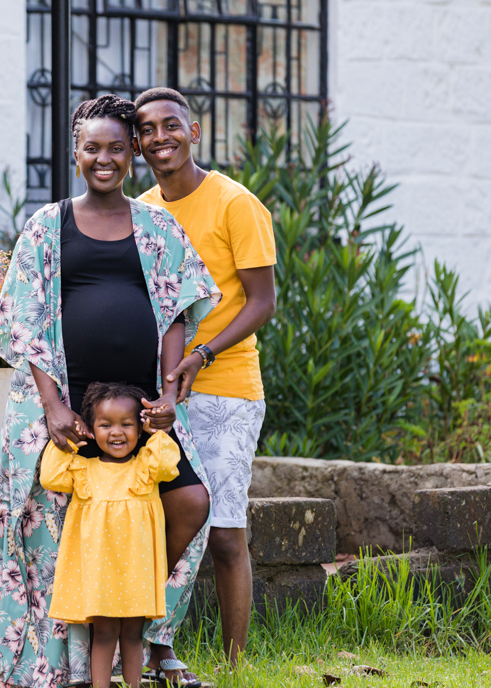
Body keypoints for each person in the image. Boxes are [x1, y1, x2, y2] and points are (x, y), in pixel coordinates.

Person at [0, 94, 221, 688]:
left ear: (134, 152)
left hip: (136, 412)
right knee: (56, 524)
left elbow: (175, 313)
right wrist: (54, 406)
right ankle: (62, 659)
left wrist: (169, 395)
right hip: (71, 411)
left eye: (118, 146)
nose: (105, 158)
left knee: (190, 501)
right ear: (76, 152)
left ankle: (136, 610)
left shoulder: (157, 225)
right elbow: (27, 318)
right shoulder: (48, 224)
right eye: (93, 147)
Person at [136, 87, 277, 675]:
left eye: (172, 125)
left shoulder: (235, 204)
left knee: (222, 532)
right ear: (138, 143)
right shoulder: (141, 209)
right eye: (147, 129)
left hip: (226, 387)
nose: (160, 137)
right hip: (160, 390)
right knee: (161, 519)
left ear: (194, 132)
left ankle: (235, 664)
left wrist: (204, 353)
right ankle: (155, 647)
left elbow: (263, 301)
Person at [41, 383, 180, 688]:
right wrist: (70, 439)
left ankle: (134, 685)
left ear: (139, 428)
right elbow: (49, 476)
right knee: (103, 635)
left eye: (127, 424)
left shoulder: (145, 467)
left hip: (136, 573)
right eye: (105, 425)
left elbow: (169, 463)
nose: (117, 432)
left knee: (133, 634)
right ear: (91, 428)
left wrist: (155, 431)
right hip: (101, 574)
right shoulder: (83, 470)